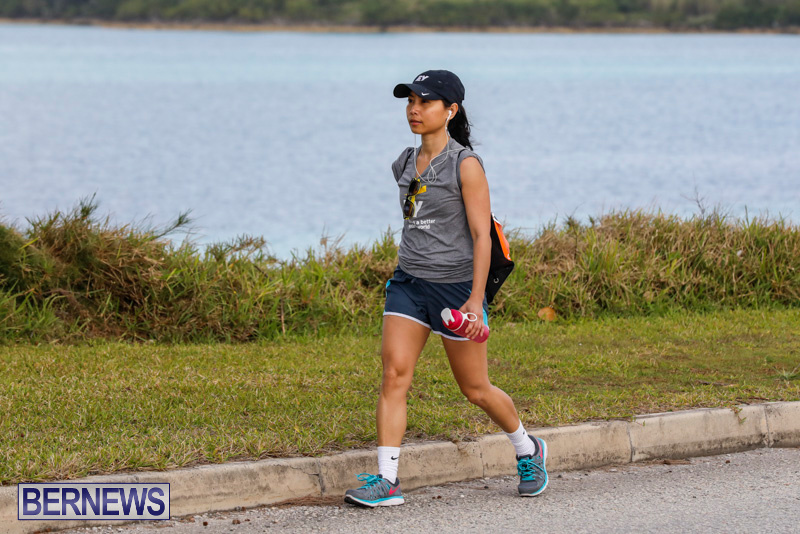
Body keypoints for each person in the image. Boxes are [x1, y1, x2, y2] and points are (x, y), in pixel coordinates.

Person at [343, 70, 547, 508]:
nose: (413, 110)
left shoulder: (465, 165)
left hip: (456, 289)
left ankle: (527, 448)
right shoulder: (403, 162)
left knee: (475, 389)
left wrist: (475, 300)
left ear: (450, 110)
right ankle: (387, 480)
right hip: (408, 284)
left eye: (425, 102)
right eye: (410, 101)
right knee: (394, 374)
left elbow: (481, 236)